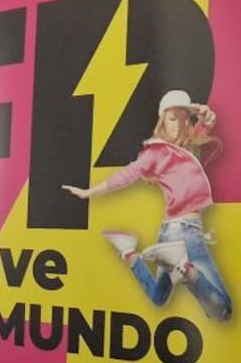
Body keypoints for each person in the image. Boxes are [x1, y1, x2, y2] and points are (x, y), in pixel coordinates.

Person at [62, 89, 231, 321]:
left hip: (170, 234)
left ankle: (129, 253)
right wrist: (89, 192)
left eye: (183, 118)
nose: (179, 124)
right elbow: (127, 175)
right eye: (172, 119)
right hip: (185, 231)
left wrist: (203, 113)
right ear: (163, 122)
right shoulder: (156, 153)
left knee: (157, 298)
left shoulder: (186, 149)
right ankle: (184, 267)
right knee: (223, 310)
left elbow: (207, 123)